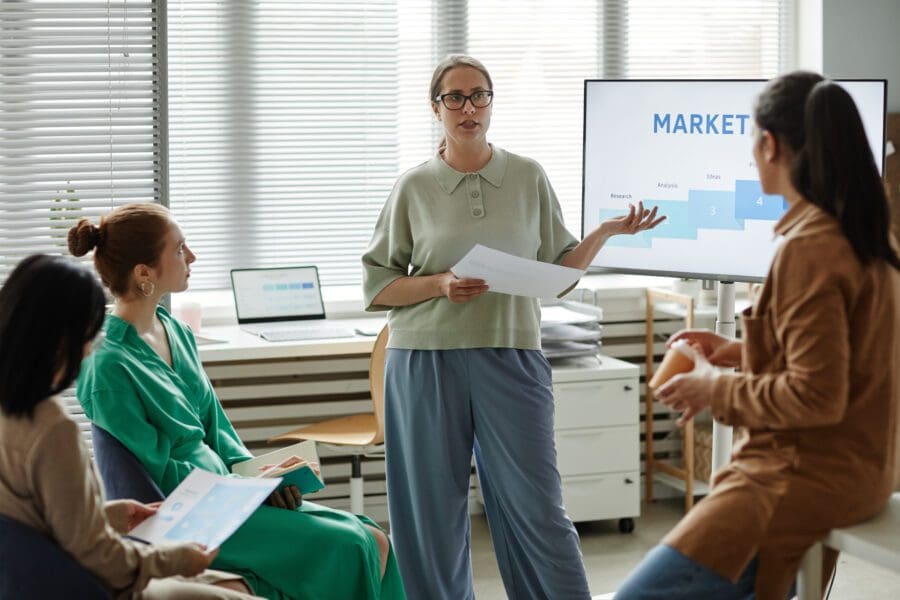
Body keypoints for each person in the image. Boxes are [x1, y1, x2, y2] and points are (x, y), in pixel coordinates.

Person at [361, 54, 664, 600]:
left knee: (537, 507)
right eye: (454, 97)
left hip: (512, 356)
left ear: (491, 103)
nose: (468, 107)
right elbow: (378, 286)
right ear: (436, 108)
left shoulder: (527, 176)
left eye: (478, 95)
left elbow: (559, 274)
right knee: (428, 515)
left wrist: (604, 233)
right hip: (424, 359)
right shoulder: (413, 187)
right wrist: (439, 283)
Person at [615, 72, 900, 599]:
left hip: (797, 479)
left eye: (753, 140)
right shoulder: (865, 236)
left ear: (769, 144)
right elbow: (842, 358)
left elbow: (816, 394)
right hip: (861, 473)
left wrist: (709, 387)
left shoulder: (809, 249)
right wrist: (739, 354)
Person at [71, 204, 406, 600]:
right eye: (179, 249)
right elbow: (154, 475)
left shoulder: (174, 330)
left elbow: (218, 428)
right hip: (190, 513)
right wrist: (239, 489)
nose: (192, 257)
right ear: (144, 273)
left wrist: (258, 475)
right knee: (350, 545)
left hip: (232, 493)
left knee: (372, 536)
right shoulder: (108, 364)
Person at [0, 254, 260, 599]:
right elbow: (99, 556)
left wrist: (109, 514)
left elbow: (39, 522)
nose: (90, 348)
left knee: (233, 584)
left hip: (30, 582)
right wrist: (176, 559)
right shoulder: (51, 429)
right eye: (88, 334)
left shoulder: (13, 413)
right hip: (87, 586)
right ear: (61, 338)